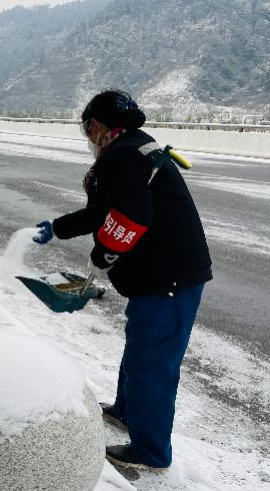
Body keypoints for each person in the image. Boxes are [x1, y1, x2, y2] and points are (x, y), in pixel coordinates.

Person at [33, 90, 212, 471]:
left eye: (87, 127)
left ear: (98, 125)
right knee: (140, 345)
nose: (87, 136)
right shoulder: (134, 147)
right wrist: (59, 228)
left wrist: (104, 254)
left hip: (170, 276)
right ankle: (127, 411)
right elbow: (103, 211)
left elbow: (132, 217)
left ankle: (150, 452)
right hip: (160, 272)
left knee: (153, 363)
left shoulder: (125, 155)